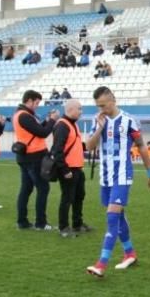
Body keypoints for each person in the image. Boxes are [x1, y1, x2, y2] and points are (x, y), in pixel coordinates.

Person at [84, 86, 150, 277]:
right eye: (98, 106)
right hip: (105, 177)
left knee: (111, 217)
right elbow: (89, 146)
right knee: (119, 216)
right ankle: (130, 253)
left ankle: (101, 263)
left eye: (104, 105)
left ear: (113, 100)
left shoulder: (129, 121)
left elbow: (141, 146)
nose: (101, 109)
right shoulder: (98, 120)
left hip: (122, 176)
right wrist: (99, 127)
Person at [12, 90, 59, 230]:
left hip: (26, 156)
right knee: (42, 188)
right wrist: (52, 120)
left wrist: (46, 121)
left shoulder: (21, 115)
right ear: (29, 101)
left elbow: (38, 130)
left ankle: (22, 221)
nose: (37, 106)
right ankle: (41, 222)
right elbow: (43, 133)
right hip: (33, 157)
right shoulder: (25, 116)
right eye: (36, 103)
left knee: (26, 189)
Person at [50, 99, 92, 238]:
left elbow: (76, 145)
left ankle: (77, 223)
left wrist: (89, 145)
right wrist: (65, 170)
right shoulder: (62, 125)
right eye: (79, 109)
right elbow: (57, 150)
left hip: (77, 168)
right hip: (69, 169)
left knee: (79, 196)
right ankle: (63, 227)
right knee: (67, 198)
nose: (81, 111)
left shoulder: (72, 125)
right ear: (70, 109)